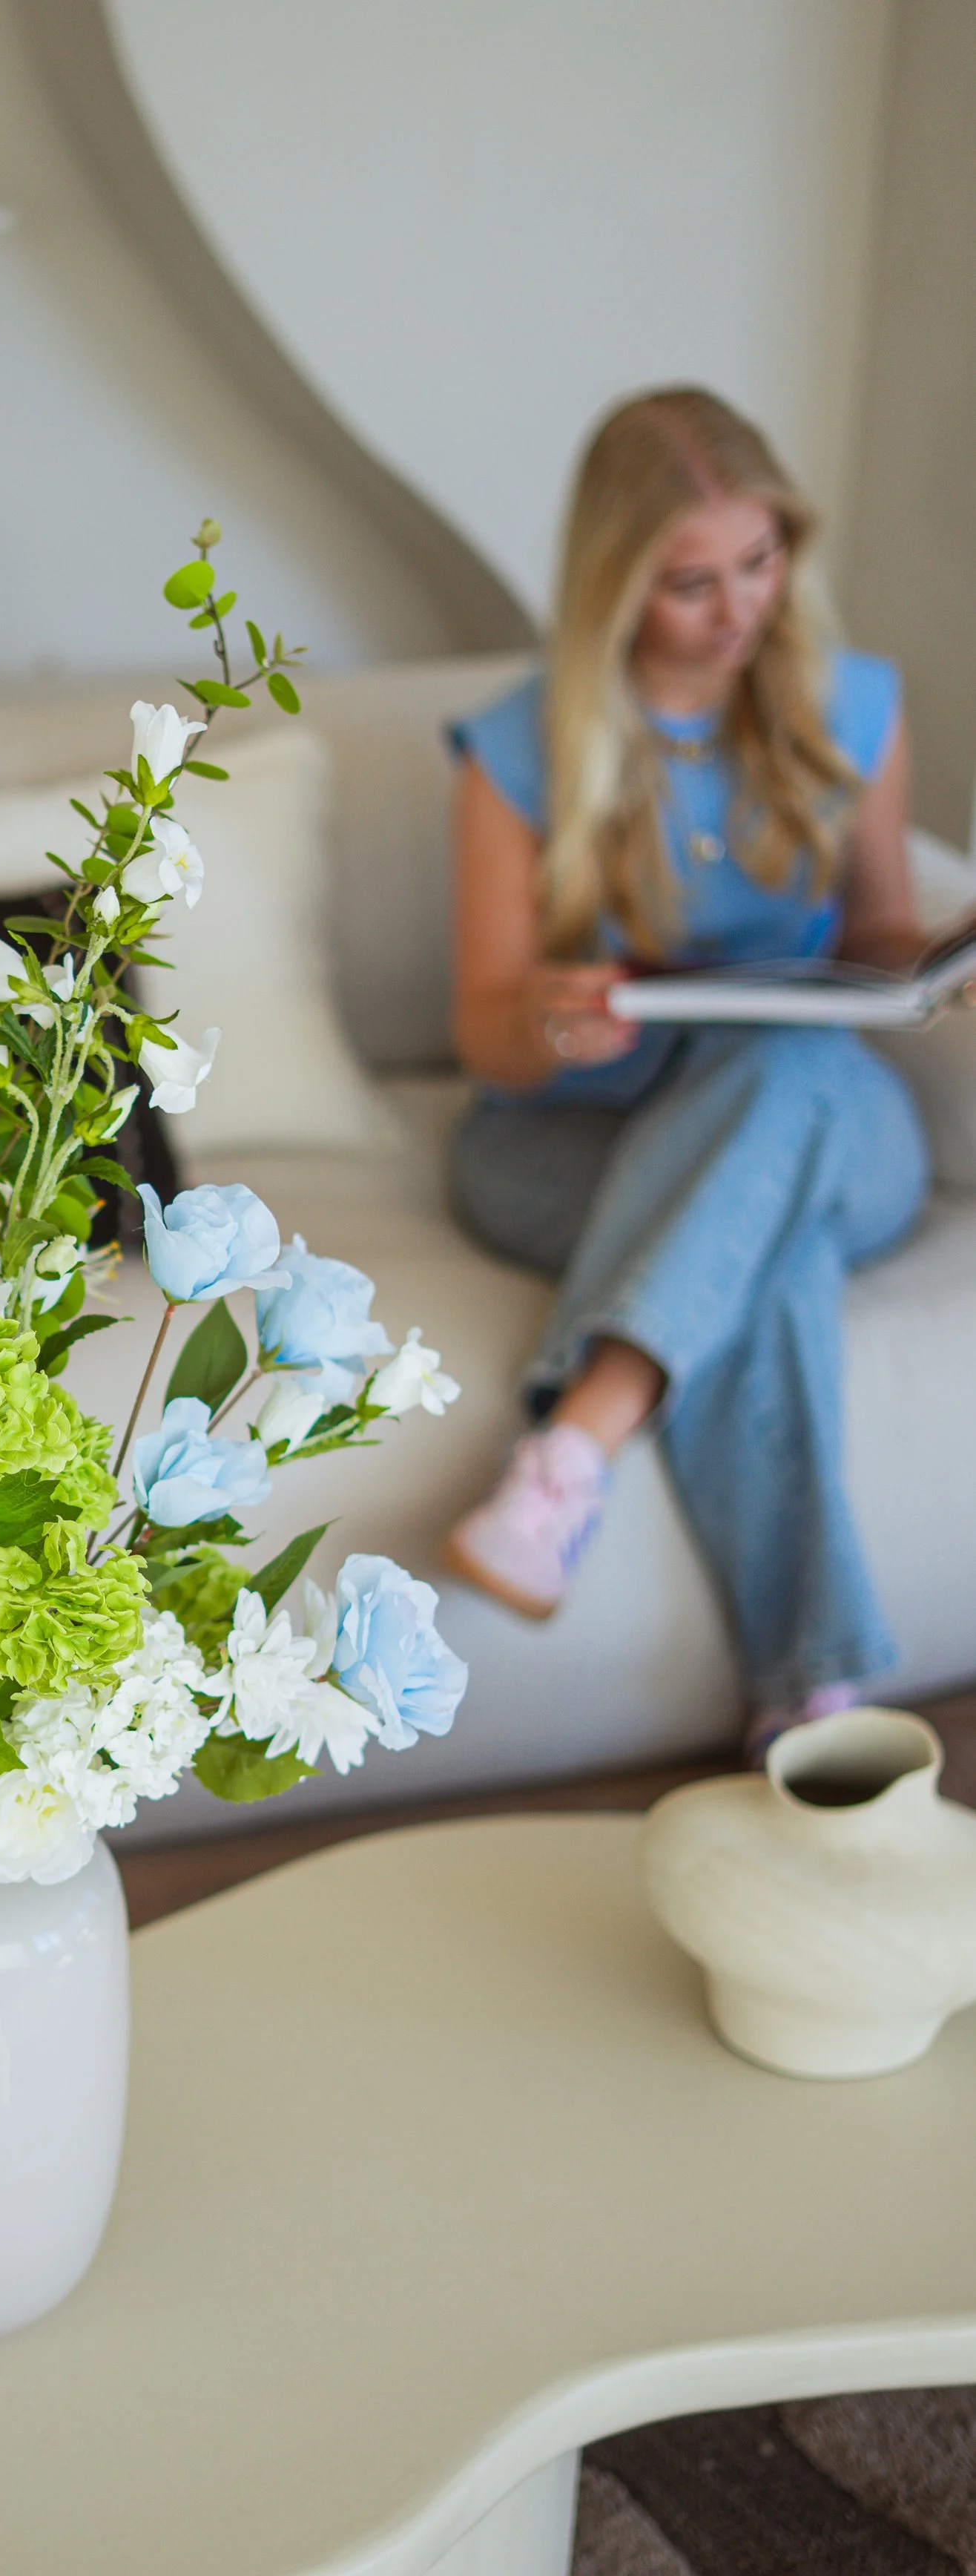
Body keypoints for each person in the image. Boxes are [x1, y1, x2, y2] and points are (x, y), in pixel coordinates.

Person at [441, 385, 938, 1757]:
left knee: (781, 1078)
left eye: (764, 563)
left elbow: (884, 923)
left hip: (820, 1113)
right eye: (692, 584)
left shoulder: (851, 705)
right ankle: (810, 1694)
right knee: (757, 1249)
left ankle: (573, 1449)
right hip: (574, 1134)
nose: (740, 613)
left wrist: (932, 960)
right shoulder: (518, 746)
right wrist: (552, 1018)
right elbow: (483, 1026)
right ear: (616, 587)